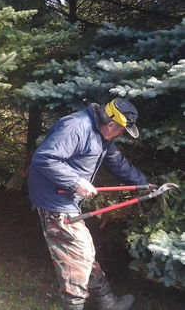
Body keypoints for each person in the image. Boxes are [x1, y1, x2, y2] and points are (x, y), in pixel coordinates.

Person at [27, 98, 148, 310]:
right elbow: (46, 158)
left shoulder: (102, 137)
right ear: (111, 125)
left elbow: (117, 162)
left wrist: (144, 184)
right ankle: (77, 304)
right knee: (77, 259)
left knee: (82, 253)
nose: (121, 135)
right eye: (122, 130)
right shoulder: (76, 127)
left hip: (66, 199)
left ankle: (108, 303)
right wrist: (75, 182)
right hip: (54, 201)